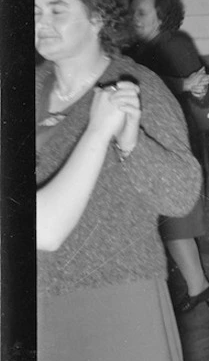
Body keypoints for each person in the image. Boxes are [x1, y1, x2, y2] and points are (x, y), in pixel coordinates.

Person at [35, 0, 200, 361]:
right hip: (38, 301)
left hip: (117, 296)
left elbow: (181, 195)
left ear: (96, 19)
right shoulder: (25, 87)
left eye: (56, 10)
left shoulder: (139, 86)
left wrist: (131, 143)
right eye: (33, 11)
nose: (40, 22)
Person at [127, 0, 209, 313]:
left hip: (172, 142)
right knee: (168, 222)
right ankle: (199, 286)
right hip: (151, 141)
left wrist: (194, 89)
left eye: (141, 12)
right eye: (131, 11)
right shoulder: (136, 50)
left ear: (162, 16)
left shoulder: (174, 43)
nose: (133, 18)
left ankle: (199, 286)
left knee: (175, 221)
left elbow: (204, 91)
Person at [37, 82, 139, 251]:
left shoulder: (128, 83)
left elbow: (179, 198)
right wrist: (98, 130)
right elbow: (44, 230)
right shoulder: (33, 81)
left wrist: (128, 145)